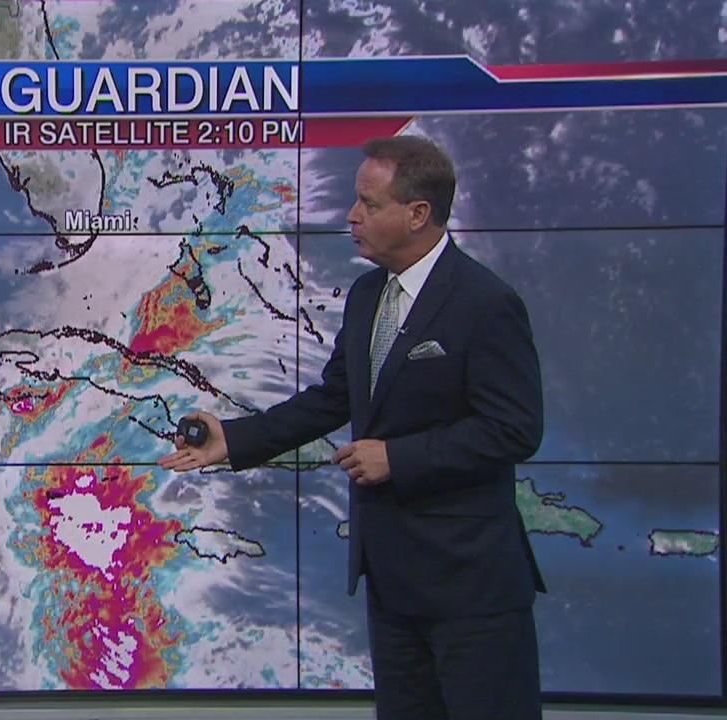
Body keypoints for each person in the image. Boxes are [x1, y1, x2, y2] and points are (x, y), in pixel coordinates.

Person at [159, 135, 547, 719]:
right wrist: (235, 439)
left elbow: (514, 428)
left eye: (369, 203)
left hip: (470, 584)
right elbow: (336, 396)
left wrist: (399, 458)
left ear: (417, 213)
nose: (351, 215)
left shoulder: (485, 303)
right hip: (392, 579)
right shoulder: (368, 295)